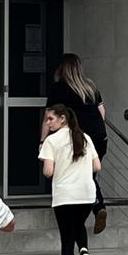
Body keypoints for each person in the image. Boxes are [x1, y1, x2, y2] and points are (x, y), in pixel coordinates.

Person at [39, 104, 102, 255]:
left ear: (62, 119)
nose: (47, 123)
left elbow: (48, 172)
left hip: (65, 195)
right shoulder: (85, 138)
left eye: (50, 119)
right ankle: (84, 252)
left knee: (67, 240)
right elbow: (97, 166)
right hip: (86, 194)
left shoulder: (51, 141)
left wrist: (53, 166)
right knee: (78, 225)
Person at [45, 53, 108, 233]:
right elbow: (102, 112)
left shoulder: (59, 89)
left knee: (84, 174)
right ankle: (95, 207)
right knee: (88, 174)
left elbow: (48, 117)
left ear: (62, 68)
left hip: (80, 137)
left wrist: (44, 139)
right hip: (99, 136)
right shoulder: (90, 86)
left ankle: (95, 207)